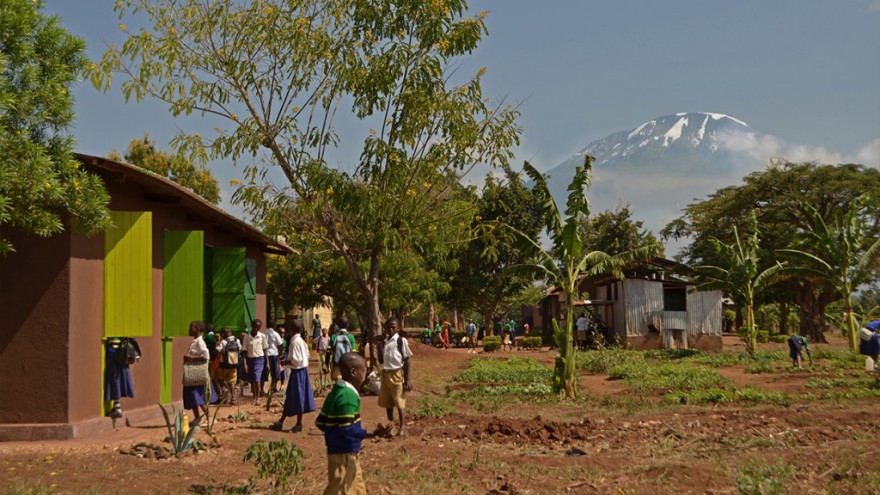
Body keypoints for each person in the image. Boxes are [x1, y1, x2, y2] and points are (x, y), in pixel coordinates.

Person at [316, 352, 368, 495]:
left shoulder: (335, 391)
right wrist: (366, 434)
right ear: (353, 372)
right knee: (339, 488)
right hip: (344, 453)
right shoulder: (347, 395)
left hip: (342, 450)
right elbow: (346, 428)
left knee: (357, 487)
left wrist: (332, 433)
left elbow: (320, 422)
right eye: (362, 371)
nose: (364, 375)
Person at [271, 319, 315, 433]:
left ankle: (298, 424)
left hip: (297, 372)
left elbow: (296, 360)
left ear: (291, 330)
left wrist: (285, 362)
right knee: (292, 397)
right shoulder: (302, 341)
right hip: (303, 371)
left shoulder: (294, 342)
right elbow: (307, 355)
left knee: (297, 397)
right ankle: (281, 421)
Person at [379, 317, 413, 436]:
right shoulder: (385, 342)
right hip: (385, 373)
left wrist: (408, 379)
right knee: (388, 401)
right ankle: (391, 425)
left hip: (397, 373)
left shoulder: (401, 341)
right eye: (389, 327)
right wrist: (380, 345)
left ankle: (403, 427)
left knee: (399, 400)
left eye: (393, 327)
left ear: (398, 328)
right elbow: (380, 359)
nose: (391, 329)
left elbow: (407, 360)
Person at [104, 337, 139, 420]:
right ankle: (117, 406)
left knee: (115, 378)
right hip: (123, 352)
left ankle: (117, 407)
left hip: (116, 352)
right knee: (120, 378)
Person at [183, 321, 210, 423]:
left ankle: (209, 416)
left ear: (197, 329)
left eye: (191, 328)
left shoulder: (200, 342)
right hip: (191, 375)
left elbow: (205, 356)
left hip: (197, 376)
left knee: (197, 396)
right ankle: (197, 417)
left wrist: (191, 358)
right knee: (192, 396)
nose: (189, 330)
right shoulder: (194, 341)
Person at [242, 319, 268, 405]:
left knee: (257, 378)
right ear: (251, 326)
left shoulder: (262, 336)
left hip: (259, 359)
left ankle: (258, 398)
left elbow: (265, 349)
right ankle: (254, 397)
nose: (256, 329)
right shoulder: (247, 337)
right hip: (250, 359)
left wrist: (267, 362)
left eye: (258, 327)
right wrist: (245, 363)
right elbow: (244, 351)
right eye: (254, 327)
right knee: (252, 379)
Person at [217, 327, 240, 405]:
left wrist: (218, 342)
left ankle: (224, 390)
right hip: (234, 364)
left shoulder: (223, 342)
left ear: (223, 334)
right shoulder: (237, 340)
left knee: (220, 379)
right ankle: (233, 398)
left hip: (224, 365)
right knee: (232, 381)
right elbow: (240, 349)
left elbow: (218, 350)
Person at [265, 320, 284, 394]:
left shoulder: (264, 333)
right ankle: (273, 387)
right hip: (274, 354)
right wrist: (281, 353)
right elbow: (281, 345)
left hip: (266, 354)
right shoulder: (275, 334)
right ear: (274, 326)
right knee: (275, 372)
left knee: (266, 372)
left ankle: (262, 389)